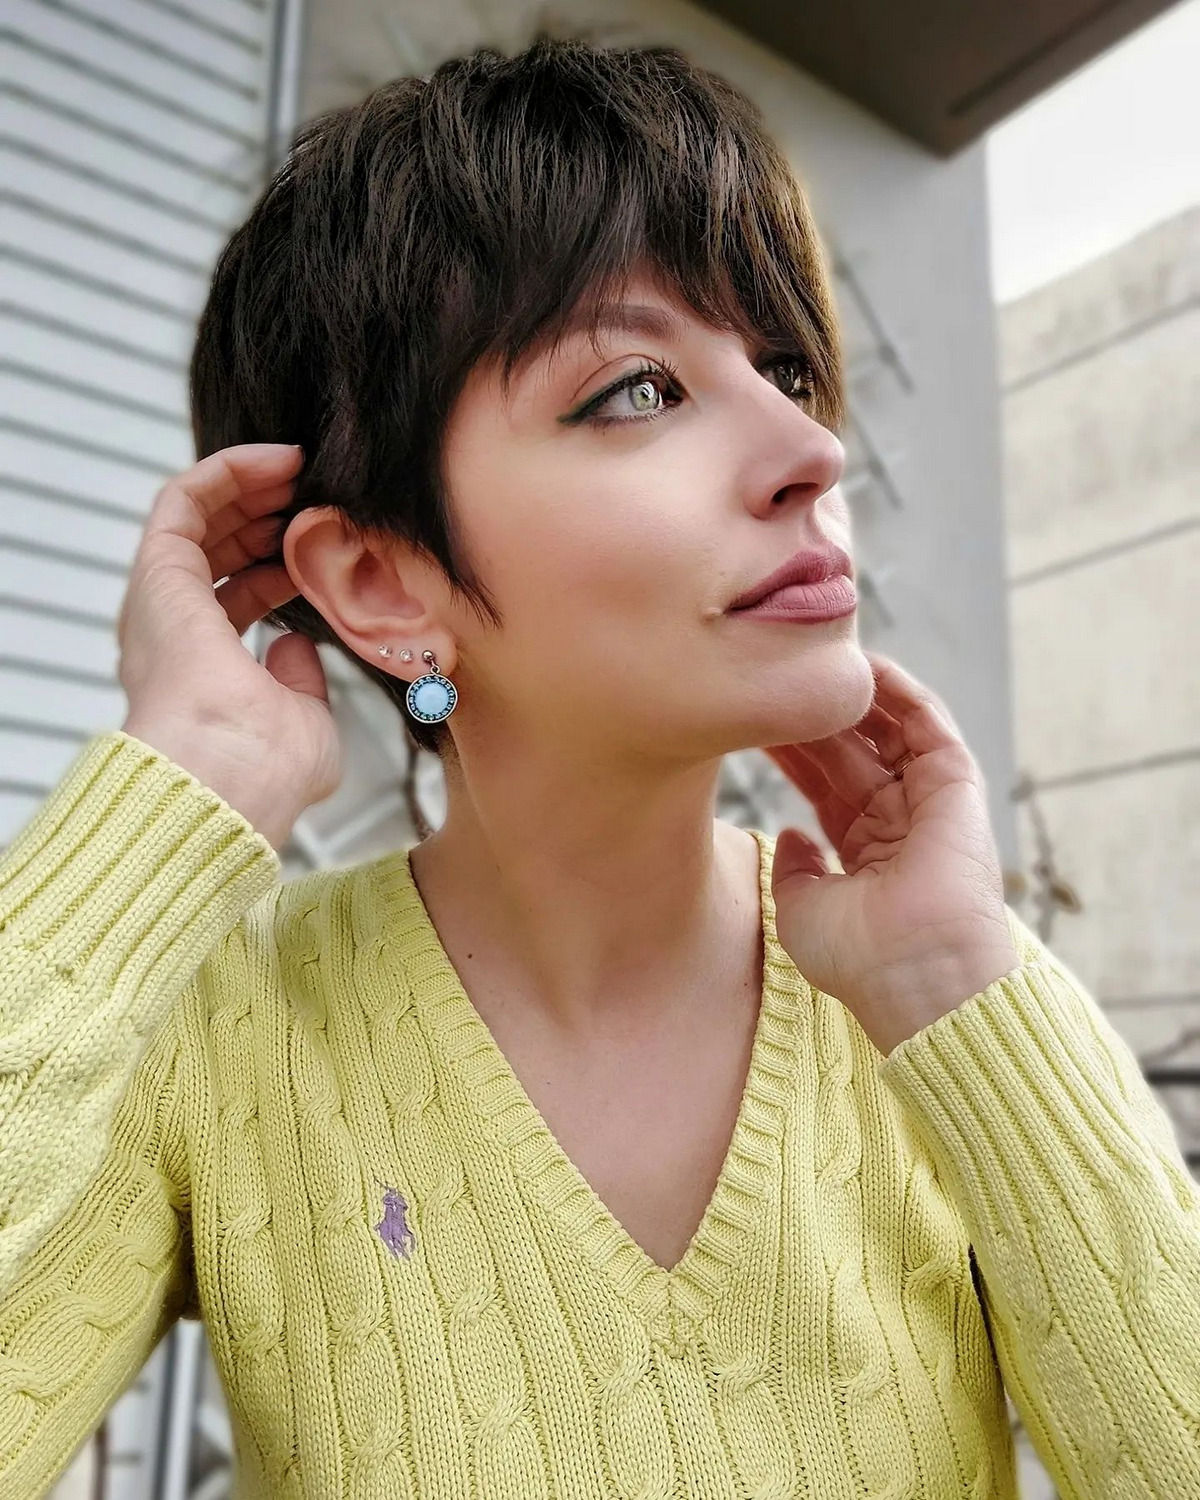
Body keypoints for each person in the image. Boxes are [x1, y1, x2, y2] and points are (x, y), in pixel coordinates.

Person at [1, 34, 1196, 1500]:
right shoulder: (232, 1029)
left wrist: (955, 988)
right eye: (638, 389)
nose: (807, 451)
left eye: (783, 366)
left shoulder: (930, 994)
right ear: (380, 580)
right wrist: (178, 777)